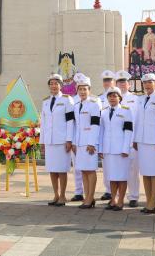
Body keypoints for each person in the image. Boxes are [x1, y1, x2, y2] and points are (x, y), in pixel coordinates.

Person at [133, 73, 155, 214]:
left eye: (150, 82)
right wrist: (135, 139)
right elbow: (137, 120)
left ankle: (153, 202)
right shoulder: (140, 99)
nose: (147, 85)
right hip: (142, 141)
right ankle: (148, 201)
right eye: (145, 82)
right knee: (146, 172)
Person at [41, 73, 75, 206]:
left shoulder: (67, 100)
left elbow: (70, 121)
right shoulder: (45, 102)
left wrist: (69, 140)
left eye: (56, 83)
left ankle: (63, 195)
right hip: (49, 140)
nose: (53, 86)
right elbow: (43, 123)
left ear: (61, 85)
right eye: (51, 84)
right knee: (52, 169)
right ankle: (55, 194)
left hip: (62, 140)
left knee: (61, 169)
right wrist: (42, 141)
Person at [99, 88, 133, 211]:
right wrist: (100, 148)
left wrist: (126, 149)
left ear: (120, 98)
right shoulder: (103, 111)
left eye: (115, 96)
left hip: (120, 150)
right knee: (112, 176)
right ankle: (113, 200)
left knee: (121, 176)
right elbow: (101, 131)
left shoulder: (126, 110)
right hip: (108, 150)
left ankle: (121, 201)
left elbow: (129, 130)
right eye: (110, 96)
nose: (112, 98)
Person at [72, 74, 100, 209]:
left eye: (85, 89)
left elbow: (95, 125)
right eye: (80, 89)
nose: (82, 92)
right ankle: (88, 197)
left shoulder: (94, 105)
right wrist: (74, 142)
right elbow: (76, 126)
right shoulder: (77, 105)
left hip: (89, 143)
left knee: (90, 170)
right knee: (83, 170)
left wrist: (92, 143)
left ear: (89, 90)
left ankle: (90, 197)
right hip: (79, 143)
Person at [114, 71, 141, 207]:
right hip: (115, 141)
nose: (122, 84)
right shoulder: (111, 98)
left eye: (124, 82)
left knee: (133, 170)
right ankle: (116, 197)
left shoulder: (136, 99)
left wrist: (137, 139)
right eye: (119, 82)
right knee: (116, 169)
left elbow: (139, 120)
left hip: (131, 140)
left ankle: (133, 196)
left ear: (129, 84)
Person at [98, 70, 116, 200]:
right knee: (106, 167)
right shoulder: (99, 98)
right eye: (105, 80)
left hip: (117, 138)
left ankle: (121, 193)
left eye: (109, 80)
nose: (107, 82)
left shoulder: (117, 96)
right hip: (104, 136)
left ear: (113, 82)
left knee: (118, 168)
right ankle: (108, 190)